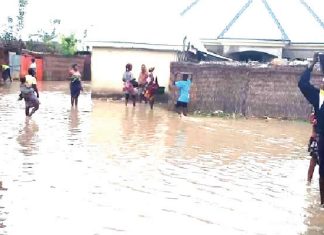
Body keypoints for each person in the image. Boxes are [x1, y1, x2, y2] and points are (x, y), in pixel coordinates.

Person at [298, 52, 324, 207]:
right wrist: (311, 65)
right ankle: (322, 205)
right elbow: (303, 84)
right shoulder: (317, 96)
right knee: (321, 172)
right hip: (322, 138)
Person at [307, 112, 319, 182]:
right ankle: (308, 182)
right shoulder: (314, 115)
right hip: (316, 141)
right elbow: (311, 120)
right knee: (312, 164)